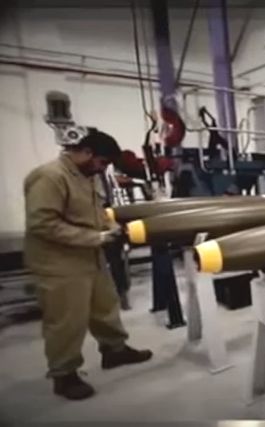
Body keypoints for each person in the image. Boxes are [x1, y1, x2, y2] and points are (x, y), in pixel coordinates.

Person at [24, 130, 153, 400]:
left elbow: (98, 211)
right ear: (86, 152)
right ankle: (64, 374)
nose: (103, 169)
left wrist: (112, 227)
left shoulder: (87, 176)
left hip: (90, 255)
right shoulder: (50, 177)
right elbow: (43, 224)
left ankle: (114, 351)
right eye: (102, 162)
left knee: (105, 306)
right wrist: (96, 238)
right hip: (59, 262)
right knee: (67, 320)